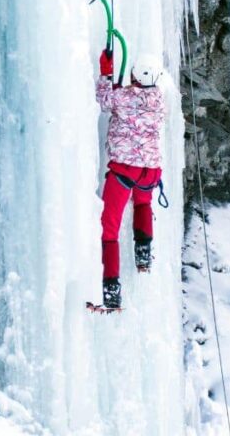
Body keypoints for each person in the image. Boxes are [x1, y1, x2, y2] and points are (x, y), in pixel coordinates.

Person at [95, 49, 166, 309]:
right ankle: (143, 253)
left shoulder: (122, 97)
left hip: (125, 169)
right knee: (142, 204)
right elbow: (136, 101)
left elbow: (104, 101)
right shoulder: (159, 100)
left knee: (109, 230)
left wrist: (106, 72)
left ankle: (111, 288)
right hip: (150, 170)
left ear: (134, 74)